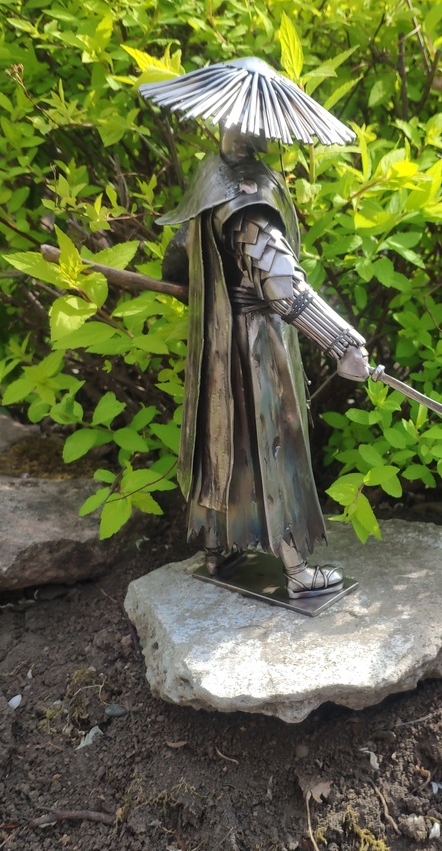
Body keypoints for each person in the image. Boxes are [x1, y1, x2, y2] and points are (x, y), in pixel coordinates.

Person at [139, 56, 369, 600]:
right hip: (256, 345)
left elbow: (177, 260)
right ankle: (297, 571)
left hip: (215, 345)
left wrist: (207, 281)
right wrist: (343, 344)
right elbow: (282, 287)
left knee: (224, 445)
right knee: (273, 444)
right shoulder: (250, 201)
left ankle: (218, 549)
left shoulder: (208, 178)